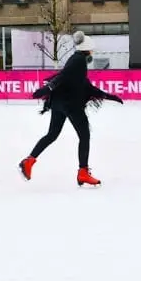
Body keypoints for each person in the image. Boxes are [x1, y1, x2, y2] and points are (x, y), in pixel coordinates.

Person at [18, 31, 122, 187]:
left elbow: (86, 86)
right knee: (84, 136)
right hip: (71, 105)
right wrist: (48, 88)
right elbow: (64, 76)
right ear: (87, 50)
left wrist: (109, 96)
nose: (92, 53)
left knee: (52, 134)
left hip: (59, 103)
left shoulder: (76, 61)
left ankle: (29, 161)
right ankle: (83, 172)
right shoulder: (79, 61)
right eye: (92, 50)